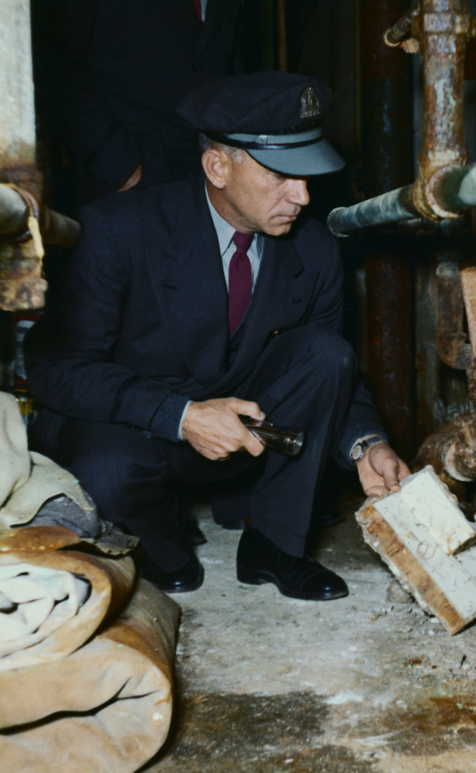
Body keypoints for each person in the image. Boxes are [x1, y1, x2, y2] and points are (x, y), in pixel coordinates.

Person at [24, 70, 410, 599]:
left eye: (308, 175)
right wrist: (180, 416)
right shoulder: (119, 229)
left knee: (327, 352)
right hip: (140, 431)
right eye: (281, 174)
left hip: (246, 442)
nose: (301, 195)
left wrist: (366, 443)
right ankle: (160, 548)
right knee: (107, 472)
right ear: (217, 166)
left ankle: (273, 545)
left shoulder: (314, 248)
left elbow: (331, 371)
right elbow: (55, 368)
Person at [50, 0, 245, 205]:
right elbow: (56, 63)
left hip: (208, 181)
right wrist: (115, 162)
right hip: (127, 179)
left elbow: (228, 64)